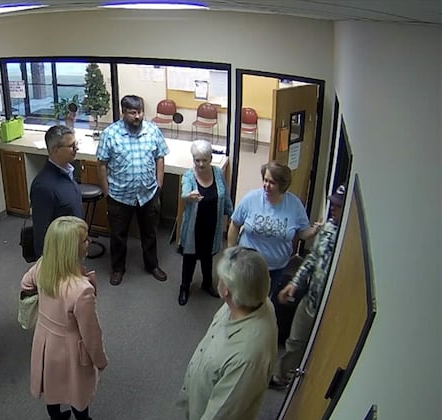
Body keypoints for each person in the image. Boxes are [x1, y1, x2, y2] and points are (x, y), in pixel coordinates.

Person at [167, 246, 278, 420]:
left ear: (226, 290)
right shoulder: (251, 300)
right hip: (203, 394)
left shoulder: (247, 358)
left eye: (221, 278)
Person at [21, 216, 110, 420]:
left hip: (44, 340)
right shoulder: (81, 290)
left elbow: (26, 283)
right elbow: (91, 334)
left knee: (50, 382)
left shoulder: (43, 265)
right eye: (85, 240)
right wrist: (100, 360)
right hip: (71, 347)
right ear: (72, 248)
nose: (89, 242)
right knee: (76, 387)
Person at [229, 161, 321, 342]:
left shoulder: (294, 205)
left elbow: (302, 232)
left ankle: (252, 336)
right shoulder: (251, 199)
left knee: (262, 302)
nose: (266, 185)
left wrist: (314, 231)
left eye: (271, 182)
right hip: (247, 264)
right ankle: (235, 332)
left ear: (283, 185)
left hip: (276, 267)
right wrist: (231, 253)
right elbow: (234, 224)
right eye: (264, 180)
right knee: (240, 299)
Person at [270, 184, 346, 389]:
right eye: (333, 204)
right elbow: (313, 258)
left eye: (338, 206)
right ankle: (281, 378)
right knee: (295, 341)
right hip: (311, 300)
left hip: (334, 311)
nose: (333, 209)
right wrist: (295, 283)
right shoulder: (329, 228)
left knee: (323, 352)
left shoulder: (349, 239)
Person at [96, 95, 169, 286]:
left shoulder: (152, 131)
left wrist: (159, 184)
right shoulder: (110, 134)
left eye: (140, 112)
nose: (138, 116)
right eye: (133, 113)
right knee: (118, 235)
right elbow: (102, 164)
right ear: (123, 112)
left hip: (148, 194)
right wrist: (106, 192)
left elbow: (159, 157)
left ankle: (152, 265)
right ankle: (118, 269)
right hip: (119, 196)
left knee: (150, 233)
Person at [177, 140, 233, 306]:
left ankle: (206, 284)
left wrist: (233, 216)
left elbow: (225, 197)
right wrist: (188, 196)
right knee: (190, 258)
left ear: (211, 158)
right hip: (194, 228)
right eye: (197, 160)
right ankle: (184, 287)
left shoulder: (217, 173)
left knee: (208, 258)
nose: (201, 164)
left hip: (212, 225)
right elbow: (184, 194)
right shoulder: (189, 176)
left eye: (204, 160)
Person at [29, 125, 84, 258]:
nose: (76, 149)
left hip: (75, 246)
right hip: (61, 255)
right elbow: (41, 232)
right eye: (71, 146)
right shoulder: (43, 186)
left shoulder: (68, 173)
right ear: (55, 150)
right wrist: (44, 265)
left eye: (75, 144)